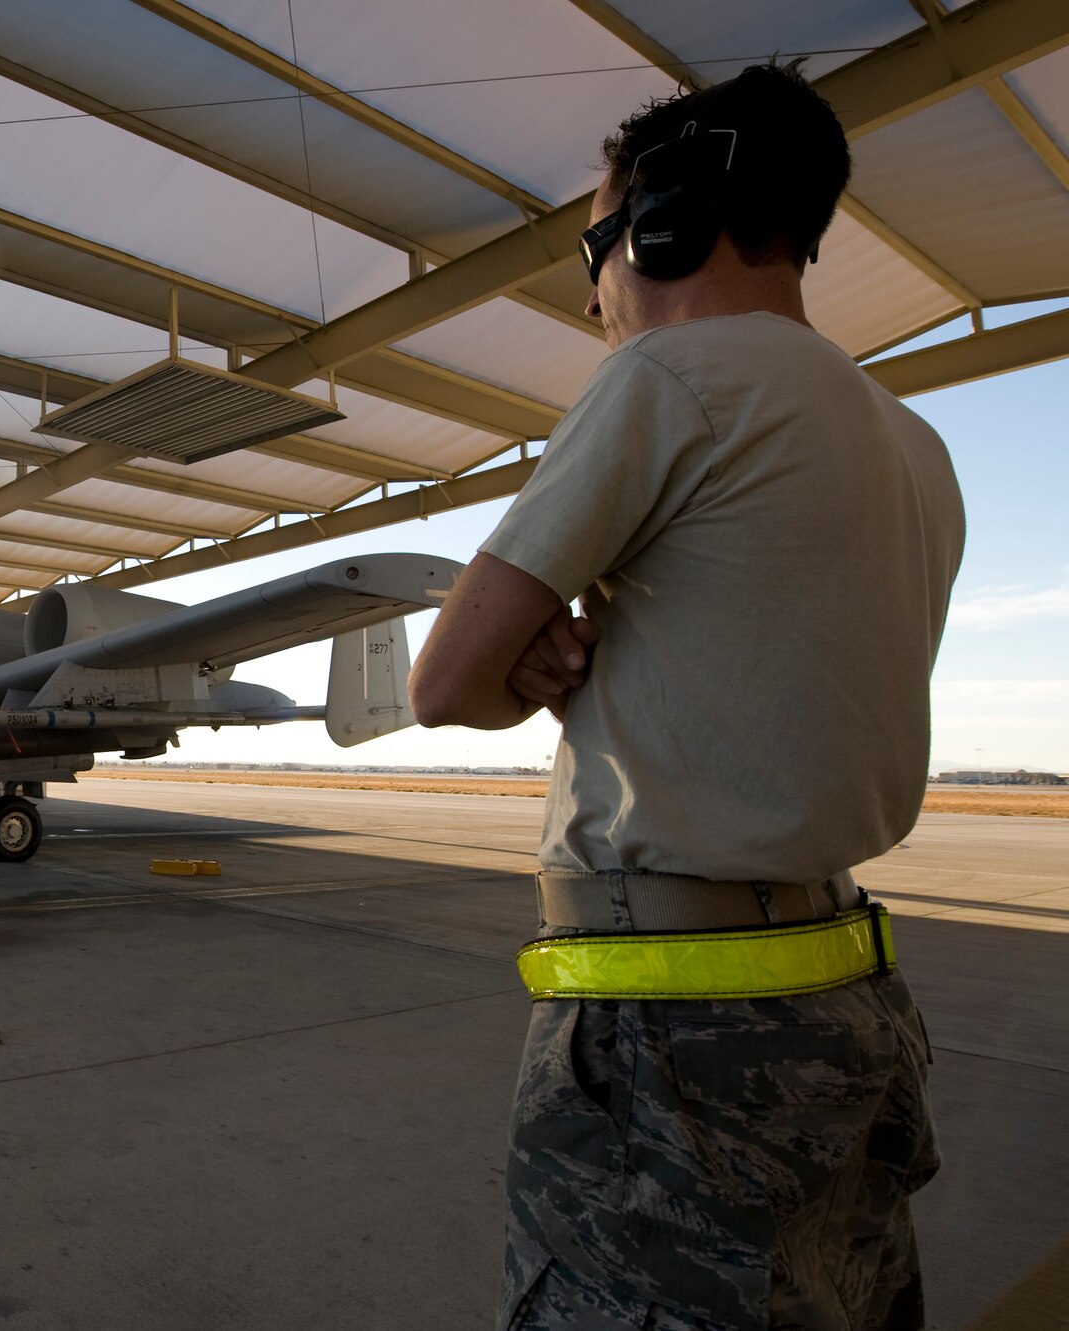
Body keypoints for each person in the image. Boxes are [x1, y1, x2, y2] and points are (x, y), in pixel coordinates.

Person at [408, 63, 963, 1329]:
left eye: (592, 247)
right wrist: (568, 674)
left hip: (678, 1040)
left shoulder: (669, 378)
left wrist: (523, 665)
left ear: (653, 225)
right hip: (848, 1011)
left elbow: (443, 680)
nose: (596, 291)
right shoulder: (911, 443)